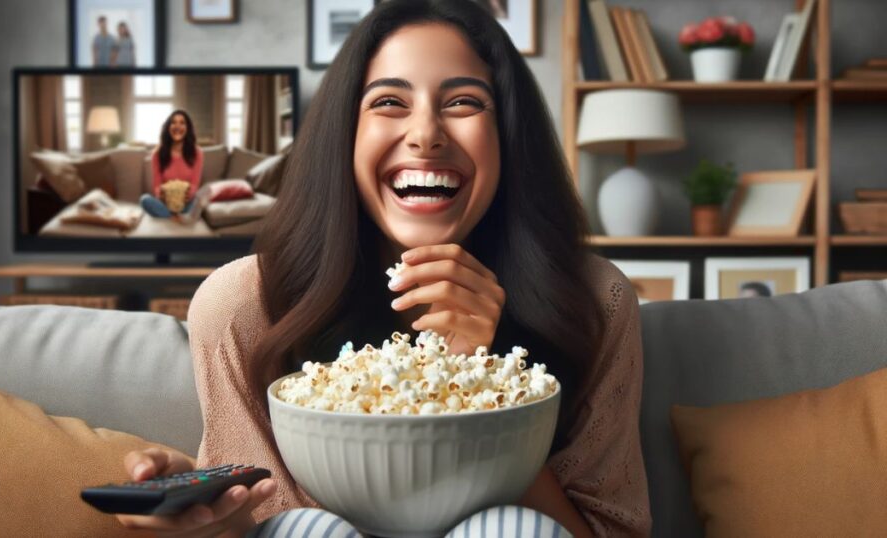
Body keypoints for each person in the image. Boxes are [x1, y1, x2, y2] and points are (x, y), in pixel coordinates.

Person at [118, 1, 649, 536]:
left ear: (509, 134)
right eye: (390, 101)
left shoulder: (594, 301)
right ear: (345, 133)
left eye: (464, 101)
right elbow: (262, 520)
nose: (426, 134)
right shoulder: (244, 306)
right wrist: (202, 519)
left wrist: (486, 392)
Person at [139, 110, 204, 224]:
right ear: (168, 128)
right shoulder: (157, 154)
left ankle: (173, 217)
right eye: (173, 122)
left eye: (182, 123)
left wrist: (187, 195)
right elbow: (157, 185)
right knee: (145, 199)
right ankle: (174, 218)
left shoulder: (197, 153)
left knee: (198, 199)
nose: (177, 126)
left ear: (187, 128)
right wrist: (162, 194)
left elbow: (195, 184)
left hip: (186, 203)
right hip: (165, 204)